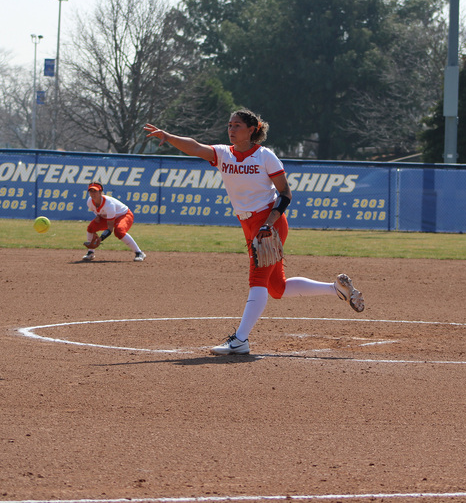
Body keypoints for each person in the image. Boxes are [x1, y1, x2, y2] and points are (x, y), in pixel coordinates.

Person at [144, 109, 365, 356]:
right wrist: (168, 136)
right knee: (277, 288)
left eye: (237, 125)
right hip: (248, 224)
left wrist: (268, 224)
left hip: (269, 222)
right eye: (229, 125)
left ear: (252, 130)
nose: (231, 129)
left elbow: (285, 194)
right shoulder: (223, 154)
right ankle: (335, 289)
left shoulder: (264, 157)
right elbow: (195, 147)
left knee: (257, 280)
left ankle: (240, 340)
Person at [82, 182, 146, 262]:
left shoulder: (109, 204)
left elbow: (110, 228)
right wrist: (98, 216)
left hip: (124, 215)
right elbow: (97, 212)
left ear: (100, 192)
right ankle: (90, 253)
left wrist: (101, 238)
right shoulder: (89, 202)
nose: (93, 193)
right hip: (108, 216)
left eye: (95, 191)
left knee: (119, 231)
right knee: (91, 228)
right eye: (91, 191)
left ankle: (139, 253)